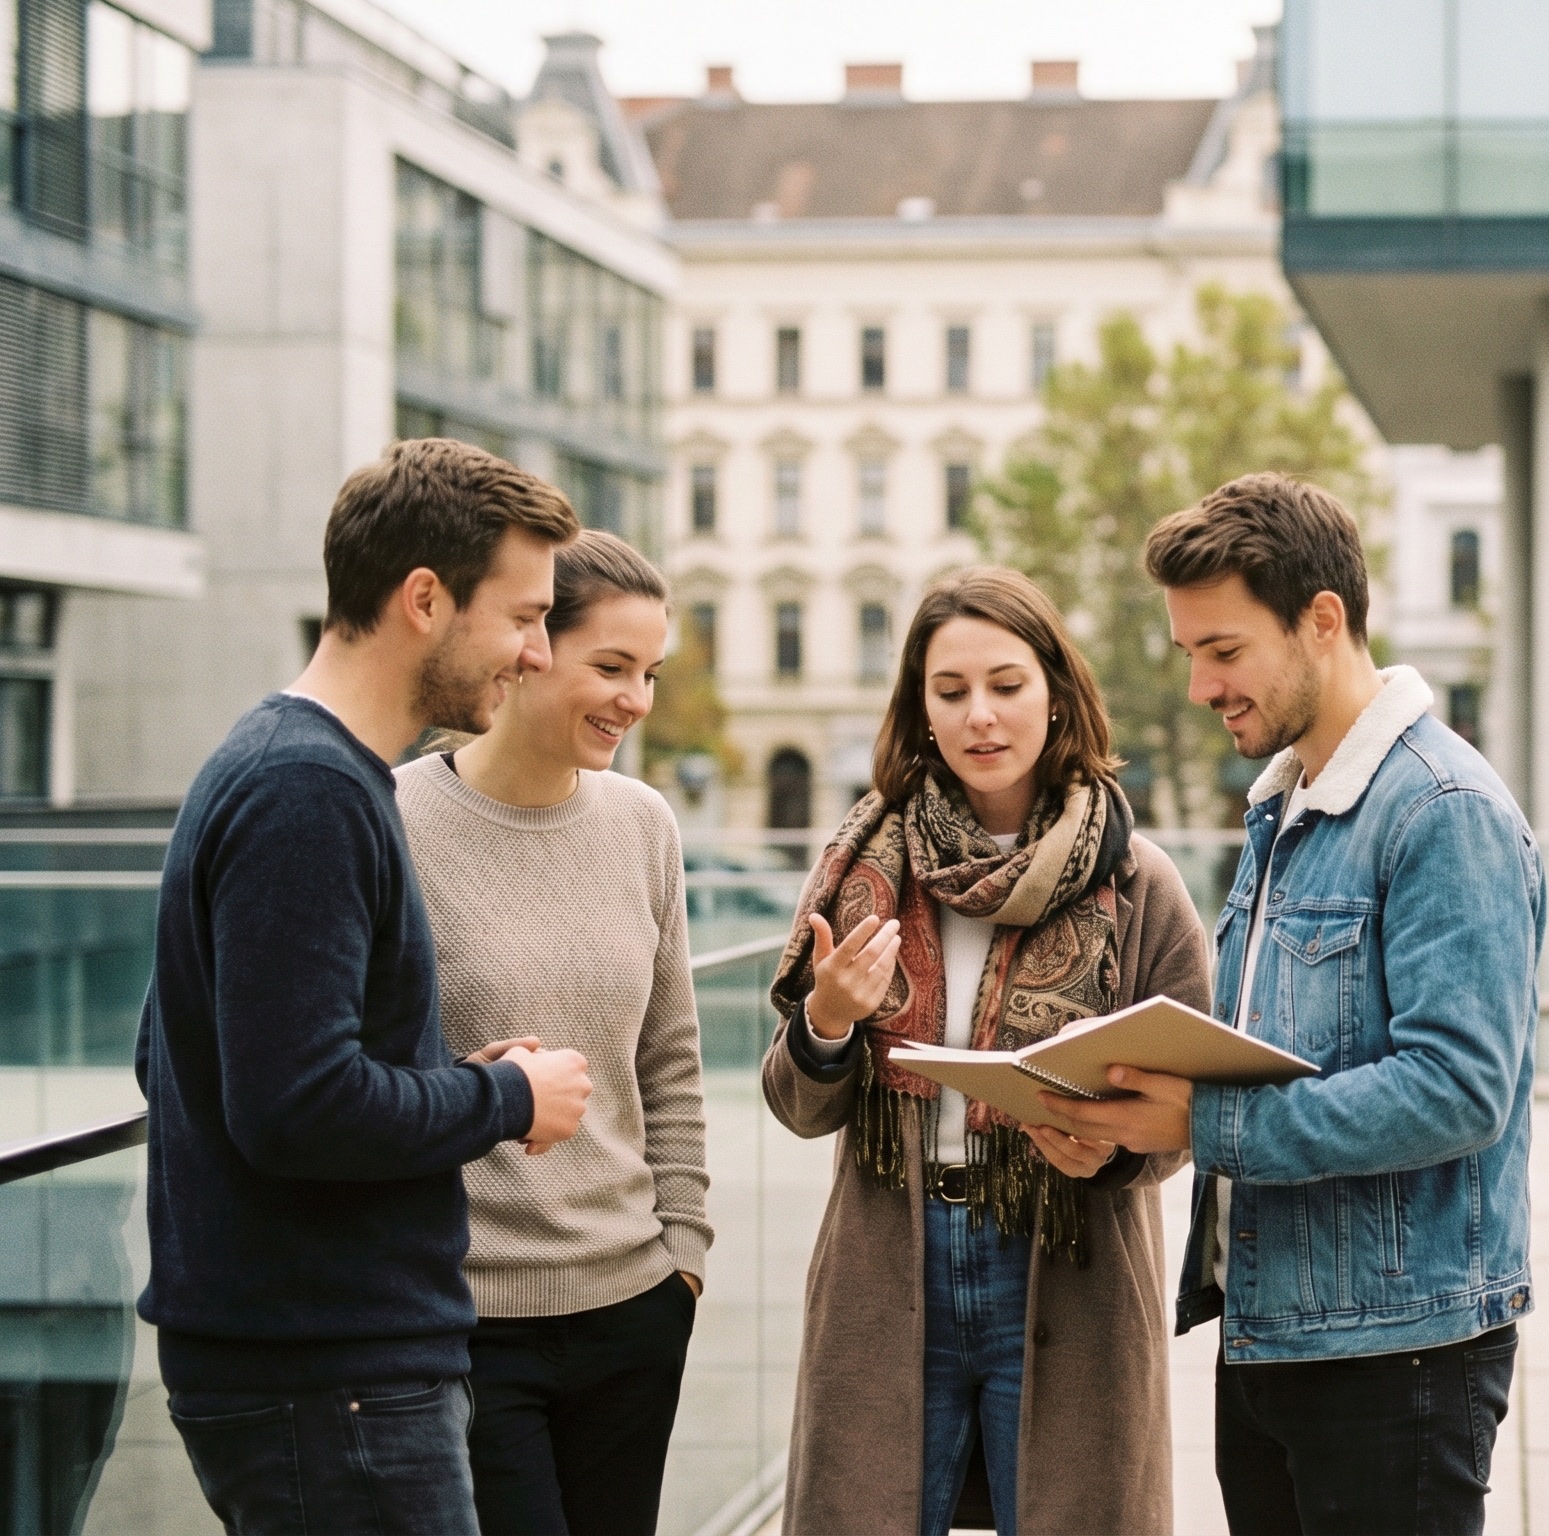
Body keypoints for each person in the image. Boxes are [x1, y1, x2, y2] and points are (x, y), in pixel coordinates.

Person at [1047, 472, 1543, 1536]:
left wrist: (1206, 1121)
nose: (1200, 687)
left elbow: (1459, 1090)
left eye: (1223, 652)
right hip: (1275, 1332)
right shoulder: (1289, 806)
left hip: (1395, 1355)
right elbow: (1269, 1061)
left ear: (1323, 621)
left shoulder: (1441, 812)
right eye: (1190, 657)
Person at [136, 438, 597, 1535]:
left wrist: (438, 1083)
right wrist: (504, 1103)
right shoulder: (308, 791)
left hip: (315, 1368)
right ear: (425, 599)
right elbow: (294, 1108)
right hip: (327, 1379)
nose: (536, 654)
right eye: (524, 616)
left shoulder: (294, 766)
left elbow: (178, 1054)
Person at [760, 566, 1213, 1536]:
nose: (980, 716)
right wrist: (827, 1023)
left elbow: (1194, 1112)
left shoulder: (1137, 882)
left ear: (1055, 694)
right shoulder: (862, 870)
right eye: (951, 690)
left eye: (1006, 685)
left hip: (1067, 1262)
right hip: (892, 1262)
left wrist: (1116, 1146)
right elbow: (796, 1106)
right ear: (919, 707)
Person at [395, 530, 711, 1536]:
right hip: (468, 1323)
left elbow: (668, 1059)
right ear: (529, 646)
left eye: (649, 672)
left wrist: (685, 1256)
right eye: (611, 667)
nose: (637, 699)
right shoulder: (392, 821)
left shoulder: (643, 824)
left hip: (634, 1307)